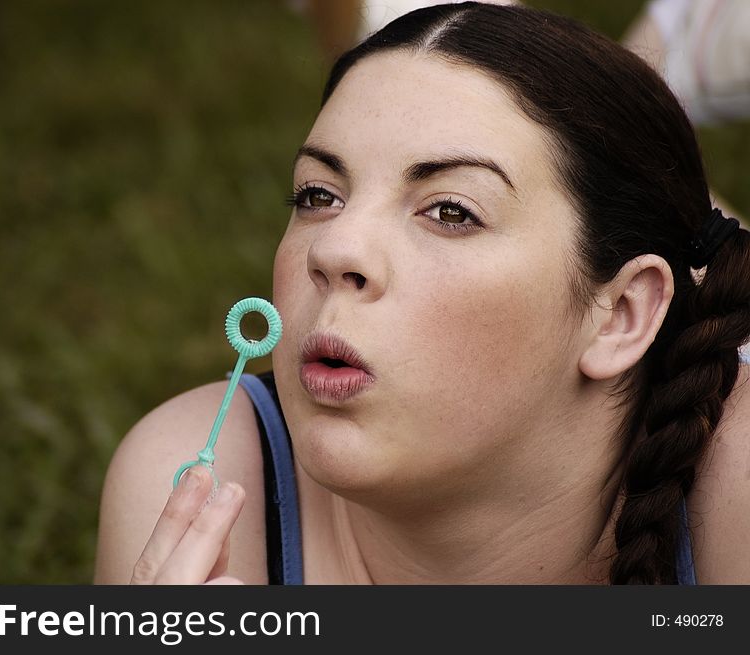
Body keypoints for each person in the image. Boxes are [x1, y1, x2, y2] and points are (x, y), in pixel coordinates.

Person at [94, 2, 750, 585]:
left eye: (450, 211)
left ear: (622, 314)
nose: (335, 249)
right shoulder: (194, 480)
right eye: (317, 196)